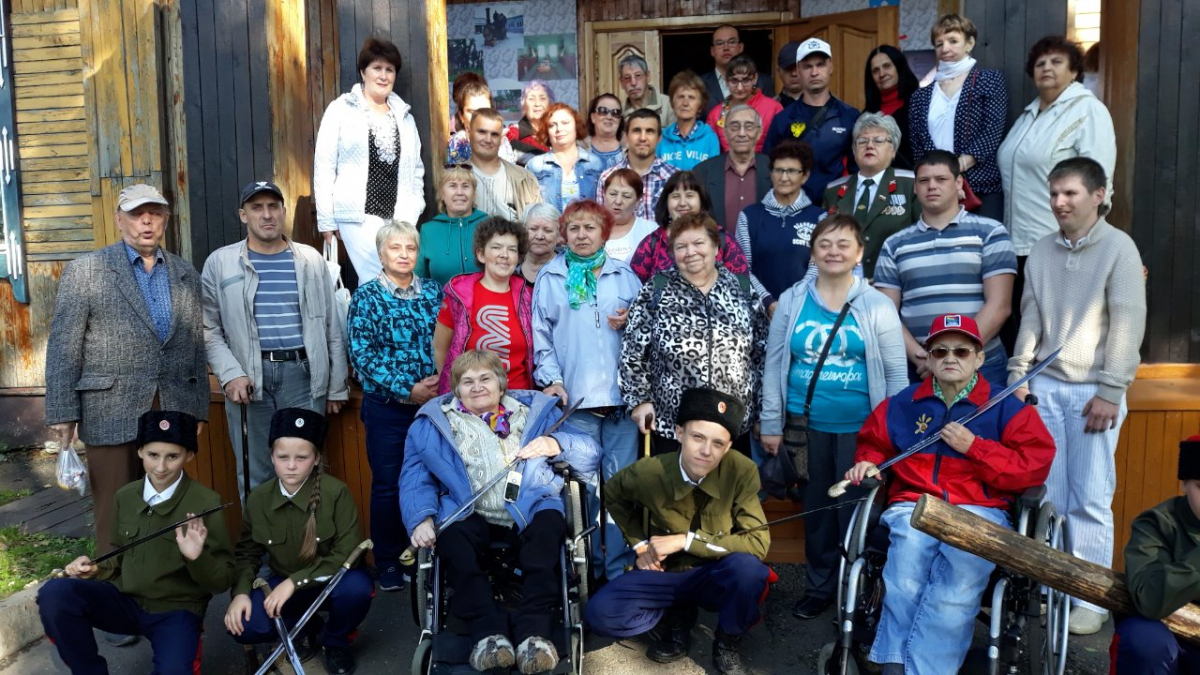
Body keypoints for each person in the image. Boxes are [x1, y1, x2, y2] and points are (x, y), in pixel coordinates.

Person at [846, 314, 1056, 674]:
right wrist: (867, 462)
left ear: (979, 357)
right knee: (905, 568)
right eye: (940, 351)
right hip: (914, 503)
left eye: (961, 351)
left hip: (980, 509)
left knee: (957, 583)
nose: (950, 358)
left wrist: (975, 447)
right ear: (928, 358)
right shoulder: (902, 404)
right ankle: (896, 662)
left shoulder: (1006, 407)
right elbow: (874, 444)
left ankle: (921, 669)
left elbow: (1033, 466)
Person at [1008, 157, 1146, 635]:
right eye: (1054, 194)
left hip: (1095, 392)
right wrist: (1019, 373)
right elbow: (1030, 315)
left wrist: (1111, 389)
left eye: (1070, 193)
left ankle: (1090, 598)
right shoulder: (1041, 250)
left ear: (1098, 195)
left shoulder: (1119, 248)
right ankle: (1053, 589)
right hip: (1045, 386)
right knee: (1050, 496)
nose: (1059, 202)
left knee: (1089, 497)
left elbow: (1128, 322)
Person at [401, 350, 600, 674]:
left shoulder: (536, 412)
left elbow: (591, 453)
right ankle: (488, 635)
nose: (477, 387)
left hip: (530, 506)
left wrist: (557, 444)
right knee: (452, 541)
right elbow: (414, 477)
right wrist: (421, 517)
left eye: (485, 378)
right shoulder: (433, 424)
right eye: (467, 381)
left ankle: (534, 634)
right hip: (467, 510)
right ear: (456, 389)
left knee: (548, 531)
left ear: (501, 383)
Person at [45, 184, 209, 563]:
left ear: (166, 219)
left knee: (167, 503)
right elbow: (64, 346)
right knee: (116, 506)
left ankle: (160, 581)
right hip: (109, 409)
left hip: (172, 407)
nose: (146, 221)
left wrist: (199, 407)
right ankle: (112, 582)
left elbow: (195, 345)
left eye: (155, 213)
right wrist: (62, 413)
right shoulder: (87, 271)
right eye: (137, 214)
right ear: (119, 220)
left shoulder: (185, 273)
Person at [761, 215, 907, 619]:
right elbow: (774, 364)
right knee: (818, 513)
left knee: (858, 515)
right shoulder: (792, 300)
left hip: (862, 431)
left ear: (859, 253)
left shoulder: (876, 305)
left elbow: (896, 374)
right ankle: (820, 587)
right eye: (825, 244)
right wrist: (771, 422)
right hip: (804, 428)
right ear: (813, 251)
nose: (833, 251)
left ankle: (856, 592)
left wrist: (891, 434)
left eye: (844, 244)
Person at [585, 387, 773, 675]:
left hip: (714, 573)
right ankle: (672, 618)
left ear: (728, 447)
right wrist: (639, 545)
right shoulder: (650, 471)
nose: (706, 451)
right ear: (679, 433)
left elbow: (758, 542)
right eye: (698, 437)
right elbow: (613, 494)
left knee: (750, 571)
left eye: (718, 443)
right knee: (600, 613)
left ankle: (727, 641)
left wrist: (687, 541)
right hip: (664, 573)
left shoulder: (741, 470)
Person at [38, 410, 233, 672]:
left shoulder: (206, 502)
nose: (161, 467)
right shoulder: (126, 496)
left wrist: (197, 557)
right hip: (126, 601)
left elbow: (222, 581)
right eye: (153, 455)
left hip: (176, 611)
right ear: (140, 451)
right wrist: (95, 569)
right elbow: (119, 555)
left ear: (189, 455)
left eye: (172, 456)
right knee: (55, 595)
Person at [201, 180, 348, 491]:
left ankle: (308, 526)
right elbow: (208, 328)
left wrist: (336, 386)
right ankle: (259, 527)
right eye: (257, 208)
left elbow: (331, 328)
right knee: (256, 474)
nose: (266, 215)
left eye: (273, 207)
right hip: (249, 379)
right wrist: (230, 374)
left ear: (283, 212)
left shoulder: (310, 259)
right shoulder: (221, 262)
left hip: (304, 378)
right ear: (243, 215)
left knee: (304, 468)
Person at [532, 199, 642, 579]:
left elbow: (644, 335)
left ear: (604, 233)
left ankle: (619, 573)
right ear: (565, 234)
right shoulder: (551, 277)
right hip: (576, 405)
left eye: (590, 228)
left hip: (620, 403)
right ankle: (589, 573)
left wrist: (632, 319)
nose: (582, 235)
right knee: (585, 494)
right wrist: (552, 380)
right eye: (574, 228)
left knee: (621, 491)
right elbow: (541, 338)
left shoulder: (624, 276)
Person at [224, 408, 373, 675]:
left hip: (331, 582)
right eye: (283, 457)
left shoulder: (336, 492)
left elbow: (347, 552)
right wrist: (241, 593)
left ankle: (336, 642)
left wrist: (295, 581)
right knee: (243, 626)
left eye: (301, 457)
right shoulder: (259, 498)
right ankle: (306, 627)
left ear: (316, 459)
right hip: (285, 586)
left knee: (358, 588)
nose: (291, 465)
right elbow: (247, 553)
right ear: (272, 457)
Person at [997, 36, 1116, 351]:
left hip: (1059, 243)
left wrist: (1085, 240)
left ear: (1074, 70)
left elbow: (1099, 181)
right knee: (1024, 333)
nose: (1046, 68)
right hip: (1017, 243)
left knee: (1054, 334)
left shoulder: (1088, 110)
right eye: (1040, 63)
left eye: (1056, 61)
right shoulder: (1027, 115)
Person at [345, 220, 442, 592]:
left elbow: (449, 339)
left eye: (410, 248)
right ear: (381, 253)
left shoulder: (433, 292)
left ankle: (427, 559)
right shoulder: (366, 297)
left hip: (432, 406)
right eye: (395, 248)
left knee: (432, 479)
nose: (404, 255)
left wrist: (439, 382)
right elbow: (362, 355)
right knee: (388, 485)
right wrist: (408, 388)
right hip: (388, 408)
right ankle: (387, 562)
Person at [621, 212, 767, 455]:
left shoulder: (742, 289)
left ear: (715, 247)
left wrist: (763, 413)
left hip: (731, 425)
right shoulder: (657, 289)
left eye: (699, 243)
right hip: (673, 424)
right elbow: (633, 352)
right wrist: (640, 401)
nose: (690, 252)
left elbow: (762, 354)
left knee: (731, 481)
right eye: (681, 246)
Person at [874, 150, 1016, 386]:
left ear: (958, 183)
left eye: (941, 179)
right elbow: (886, 314)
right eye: (923, 180)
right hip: (919, 365)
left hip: (982, 362)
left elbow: (999, 306)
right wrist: (924, 358)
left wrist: (953, 356)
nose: (932, 186)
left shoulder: (990, 233)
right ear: (915, 187)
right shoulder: (894, 244)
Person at [315, 38, 425, 281]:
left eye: (389, 69)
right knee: (380, 279)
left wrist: (414, 207)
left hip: (398, 219)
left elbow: (416, 170)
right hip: (357, 218)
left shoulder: (405, 117)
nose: (383, 76)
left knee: (396, 279)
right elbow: (324, 166)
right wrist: (326, 220)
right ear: (363, 72)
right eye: (377, 68)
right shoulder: (341, 109)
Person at [907, 13, 1008, 222]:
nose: (945, 48)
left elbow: (991, 133)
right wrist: (940, 179)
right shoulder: (920, 96)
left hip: (981, 187)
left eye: (953, 41)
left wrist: (955, 171)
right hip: (936, 191)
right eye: (939, 43)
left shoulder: (989, 80)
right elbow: (918, 149)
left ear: (969, 43)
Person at [1113, 435, 1200, 674]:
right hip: (1162, 630)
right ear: (1184, 484)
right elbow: (1149, 600)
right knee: (1144, 641)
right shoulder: (1157, 524)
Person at [434, 217, 535, 394]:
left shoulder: (528, 297)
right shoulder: (459, 296)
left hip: (520, 398)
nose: (504, 254)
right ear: (481, 254)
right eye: (496, 247)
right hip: (473, 398)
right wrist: (454, 391)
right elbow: (440, 348)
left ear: (518, 257)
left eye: (512, 249)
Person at [823, 112, 918, 279]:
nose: (869, 145)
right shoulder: (833, 189)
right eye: (862, 141)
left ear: (893, 150)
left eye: (878, 140)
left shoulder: (910, 184)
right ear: (854, 149)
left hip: (895, 282)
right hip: (844, 284)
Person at [764, 38, 860, 203]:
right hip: (792, 206)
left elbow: (858, 170)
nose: (814, 72)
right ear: (798, 70)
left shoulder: (850, 116)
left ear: (830, 66)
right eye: (807, 66)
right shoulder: (783, 119)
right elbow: (768, 167)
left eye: (820, 65)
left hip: (835, 206)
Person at [736, 141, 824, 314]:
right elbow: (742, 268)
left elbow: (818, 266)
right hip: (759, 312)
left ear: (805, 176)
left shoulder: (820, 218)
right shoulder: (748, 216)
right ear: (771, 173)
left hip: (805, 310)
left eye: (792, 171)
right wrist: (768, 302)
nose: (784, 177)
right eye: (778, 170)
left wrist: (795, 301)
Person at [627, 171, 749, 283]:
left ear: (701, 201)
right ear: (666, 203)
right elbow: (633, 288)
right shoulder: (652, 243)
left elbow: (743, 286)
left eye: (689, 195)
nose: (682, 203)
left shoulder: (723, 239)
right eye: (675, 196)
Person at [693, 105, 772, 233]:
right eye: (734, 127)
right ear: (725, 132)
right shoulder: (702, 172)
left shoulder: (774, 169)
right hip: (718, 244)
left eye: (749, 127)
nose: (741, 133)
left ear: (759, 132)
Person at [597, 109, 679, 219]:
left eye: (649, 131)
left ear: (659, 138)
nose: (643, 138)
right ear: (627, 136)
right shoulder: (607, 177)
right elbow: (603, 222)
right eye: (637, 131)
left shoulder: (674, 177)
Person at [415, 165, 490, 285]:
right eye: (453, 186)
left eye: (465, 186)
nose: (459, 192)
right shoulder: (428, 230)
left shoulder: (490, 225)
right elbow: (418, 279)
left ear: (474, 194)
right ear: (442, 194)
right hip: (442, 297)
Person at [526, 103, 605, 211]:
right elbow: (529, 209)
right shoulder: (535, 166)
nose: (559, 129)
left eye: (565, 123)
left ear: (576, 126)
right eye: (552, 125)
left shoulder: (595, 163)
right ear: (546, 131)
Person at [468, 108, 543, 222]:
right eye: (482, 132)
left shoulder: (526, 179)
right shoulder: (452, 178)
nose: (488, 139)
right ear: (469, 132)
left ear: (501, 138)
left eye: (494, 134)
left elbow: (537, 225)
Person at [707, 55, 782, 154]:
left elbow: (783, 149)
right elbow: (711, 153)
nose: (740, 88)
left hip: (765, 163)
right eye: (734, 81)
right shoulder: (716, 114)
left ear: (755, 78)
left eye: (746, 80)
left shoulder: (773, 108)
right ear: (726, 80)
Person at [863, 45, 920, 170]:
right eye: (875, 71)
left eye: (887, 66)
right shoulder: (866, 116)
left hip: (913, 178)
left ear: (898, 67)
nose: (882, 74)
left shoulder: (919, 104)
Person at [701, 25, 774, 118]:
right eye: (719, 43)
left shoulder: (764, 81)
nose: (726, 47)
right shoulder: (700, 84)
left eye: (731, 42)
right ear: (712, 51)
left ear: (740, 47)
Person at [446, 72, 517, 164]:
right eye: (472, 112)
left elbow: (510, 170)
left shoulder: (502, 141)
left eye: (485, 110)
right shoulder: (458, 143)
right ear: (461, 116)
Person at [657, 70, 719, 170]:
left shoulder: (710, 138)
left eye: (691, 97)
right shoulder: (661, 138)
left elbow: (713, 174)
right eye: (681, 97)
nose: (685, 103)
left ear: (700, 105)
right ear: (672, 102)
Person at [600, 169, 657, 262]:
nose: (618, 201)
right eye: (613, 194)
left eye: (626, 196)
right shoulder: (588, 228)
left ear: (638, 200)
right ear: (604, 194)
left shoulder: (651, 231)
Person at [618, 54, 675, 129]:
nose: (633, 83)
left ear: (648, 77)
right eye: (627, 78)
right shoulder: (619, 113)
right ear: (621, 82)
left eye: (638, 75)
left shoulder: (668, 105)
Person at [506, 80, 554, 166]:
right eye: (531, 99)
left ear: (550, 104)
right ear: (524, 104)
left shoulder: (557, 132)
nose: (537, 104)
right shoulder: (512, 134)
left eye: (542, 98)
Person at [519, 203, 562, 284]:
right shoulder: (509, 267)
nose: (539, 236)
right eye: (533, 229)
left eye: (547, 230)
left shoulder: (569, 270)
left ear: (558, 235)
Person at [582, 92, 626, 171]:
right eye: (603, 111)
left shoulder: (630, 150)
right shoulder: (579, 149)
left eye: (615, 112)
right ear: (593, 117)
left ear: (620, 119)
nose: (609, 117)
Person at [775, 40, 805, 108]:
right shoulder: (769, 108)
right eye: (788, 68)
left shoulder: (825, 104)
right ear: (778, 71)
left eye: (798, 68)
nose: (794, 74)